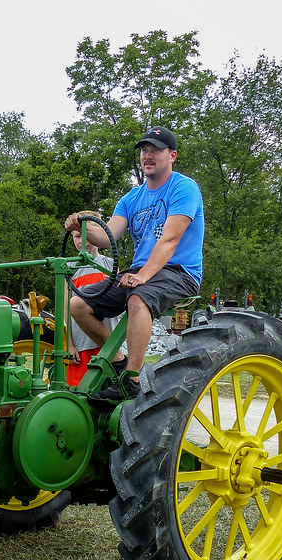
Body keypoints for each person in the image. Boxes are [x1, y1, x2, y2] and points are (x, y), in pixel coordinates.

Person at [65, 126, 204, 401]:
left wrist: (143, 277)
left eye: (155, 150)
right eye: (144, 150)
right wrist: (81, 224)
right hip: (142, 270)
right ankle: (118, 363)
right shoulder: (132, 198)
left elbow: (170, 239)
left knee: (138, 298)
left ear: (172, 155)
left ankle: (132, 379)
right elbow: (106, 236)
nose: (148, 156)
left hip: (179, 271)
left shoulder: (184, 188)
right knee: (77, 305)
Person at [65, 220, 124, 386]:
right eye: (77, 236)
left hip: (106, 338)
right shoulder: (69, 268)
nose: (82, 241)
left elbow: (118, 300)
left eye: (88, 236)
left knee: (107, 384)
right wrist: (69, 344)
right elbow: (65, 307)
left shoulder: (110, 265)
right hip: (80, 342)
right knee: (81, 387)